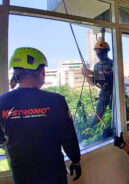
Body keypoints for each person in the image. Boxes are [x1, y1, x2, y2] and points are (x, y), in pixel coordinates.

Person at [0, 47, 81, 184]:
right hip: (53, 173)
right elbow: (68, 137)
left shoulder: (2, 101)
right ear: (40, 72)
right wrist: (75, 160)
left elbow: (1, 139)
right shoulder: (56, 101)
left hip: (21, 174)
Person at [82, 41, 113, 130]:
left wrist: (91, 73)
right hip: (104, 92)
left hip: (114, 91)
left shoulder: (112, 63)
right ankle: (90, 130)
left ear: (106, 52)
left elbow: (109, 76)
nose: (98, 54)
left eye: (101, 51)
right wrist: (87, 76)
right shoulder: (97, 66)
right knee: (98, 114)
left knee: (119, 111)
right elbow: (95, 82)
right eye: (97, 52)